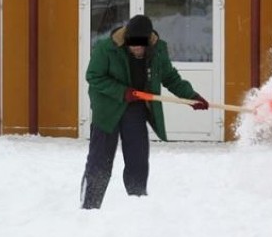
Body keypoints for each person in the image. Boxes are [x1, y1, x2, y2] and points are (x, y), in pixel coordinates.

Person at [80, 14, 209, 209]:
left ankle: (137, 204)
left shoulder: (158, 50)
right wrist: (122, 92)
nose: (136, 48)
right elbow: (93, 76)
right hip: (107, 108)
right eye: (133, 44)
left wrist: (190, 96)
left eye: (140, 45)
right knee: (100, 160)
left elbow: (170, 77)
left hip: (135, 108)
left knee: (138, 159)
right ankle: (89, 205)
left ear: (148, 40)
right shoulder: (106, 48)